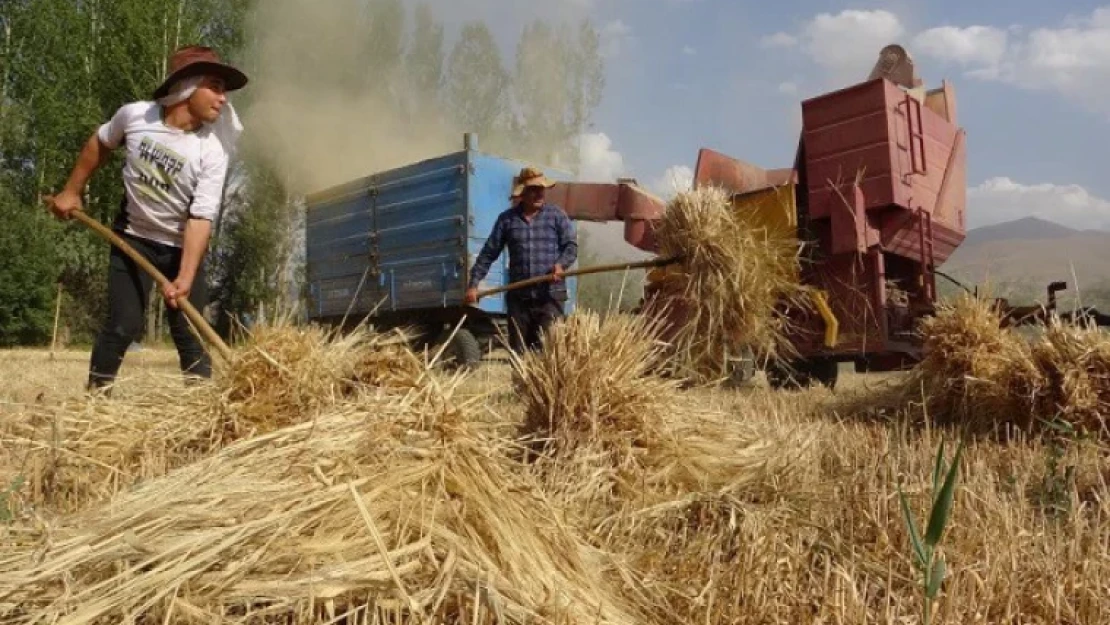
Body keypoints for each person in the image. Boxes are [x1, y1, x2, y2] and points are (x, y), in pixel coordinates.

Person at [45, 45, 248, 393]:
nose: (223, 98)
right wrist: (71, 190)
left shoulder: (212, 151)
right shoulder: (136, 117)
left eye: (223, 90)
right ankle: (95, 402)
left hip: (183, 248)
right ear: (187, 86)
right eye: (215, 86)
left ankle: (202, 414)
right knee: (124, 324)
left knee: (190, 332)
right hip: (132, 239)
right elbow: (100, 142)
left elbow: (201, 217)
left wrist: (184, 276)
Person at [466, 167, 577, 353]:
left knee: (549, 352)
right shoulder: (507, 220)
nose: (540, 193)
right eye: (534, 189)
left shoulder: (556, 215)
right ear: (523, 193)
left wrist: (560, 265)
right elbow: (488, 254)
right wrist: (473, 284)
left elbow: (571, 247)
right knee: (519, 355)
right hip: (520, 299)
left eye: (542, 189)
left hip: (550, 296)